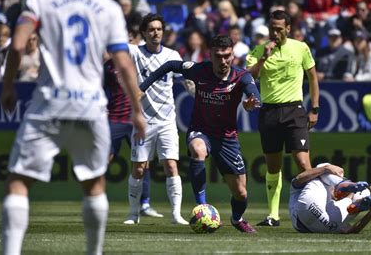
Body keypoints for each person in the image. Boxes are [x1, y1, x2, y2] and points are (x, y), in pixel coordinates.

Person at [0, 0, 145, 255]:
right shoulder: (108, 7)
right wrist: (137, 110)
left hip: (48, 103)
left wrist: (8, 85)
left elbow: (18, 45)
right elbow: (123, 63)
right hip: (90, 106)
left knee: (19, 182)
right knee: (94, 184)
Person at [140, 34, 262, 233]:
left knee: (240, 193)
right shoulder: (199, 70)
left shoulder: (241, 76)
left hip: (227, 138)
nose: (223, 61)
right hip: (201, 130)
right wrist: (142, 88)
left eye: (227, 56)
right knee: (198, 150)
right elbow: (170, 65)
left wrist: (251, 102)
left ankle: (237, 218)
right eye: (218, 56)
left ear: (232, 55)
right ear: (210, 55)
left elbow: (253, 94)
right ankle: (202, 207)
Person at [246, 10, 320, 227]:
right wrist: (263, 57)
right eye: (272, 29)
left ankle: (315, 209)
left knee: (302, 162)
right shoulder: (259, 50)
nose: (275, 33)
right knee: (272, 166)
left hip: (294, 110)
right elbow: (249, 77)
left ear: (288, 28)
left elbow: (313, 78)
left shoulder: (301, 48)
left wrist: (314, 108)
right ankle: (273, 215)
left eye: (279, 29)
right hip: (269, 111)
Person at [124, 14, 189, 226]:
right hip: (143, 121)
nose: (156, 33)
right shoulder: (135, 52)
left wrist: (197, 93)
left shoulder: (172, 55)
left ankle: (176, 215)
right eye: (151, 29)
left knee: (171, 166)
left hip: (167, 121)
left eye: (159, 29)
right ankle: (134, 214)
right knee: (139, 168)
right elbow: (115, 49)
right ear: (144, 33)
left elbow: (187, 83)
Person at [103, 59, 163, 219]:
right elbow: (101, 88)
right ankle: (98, 199)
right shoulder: (109, 65)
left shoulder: (141, 62)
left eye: (131, 40)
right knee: (104, 159)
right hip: (114, 119)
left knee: (144, 162)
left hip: (136, 120)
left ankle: (145, 204)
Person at [289, 163, 371, 233]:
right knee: (364, 192)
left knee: (324, 166)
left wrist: (326, 168)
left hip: (305, 211)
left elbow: (298, 179)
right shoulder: (323, 185)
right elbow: (351, 230)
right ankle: (341, 184)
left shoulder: (311, 186)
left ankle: (341, 184)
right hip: (329, 226)